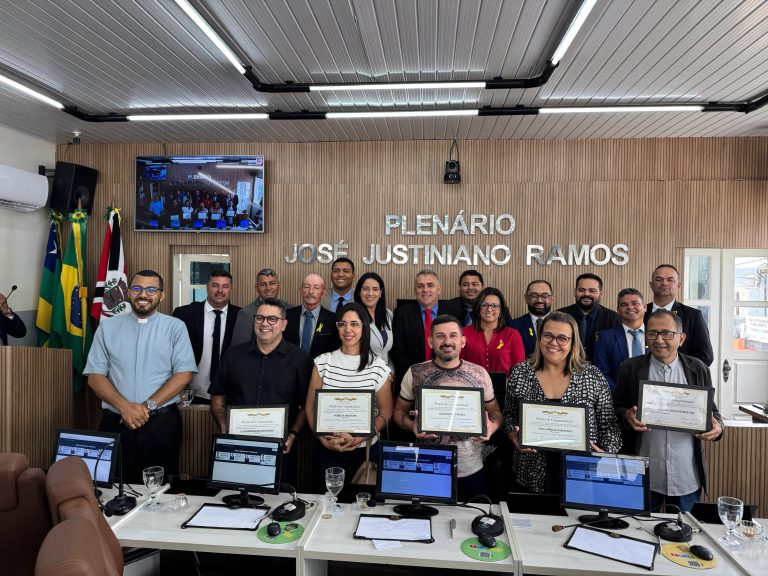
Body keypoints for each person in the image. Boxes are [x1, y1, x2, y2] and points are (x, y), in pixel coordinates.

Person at [83, 270, 197, 483]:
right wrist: (125, 408)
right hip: (116, 422)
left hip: (160, 424)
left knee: (161, 489)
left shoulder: (175, 327)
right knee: (113, 487)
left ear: (161, 295)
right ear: (128, 293)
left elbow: (184, 374)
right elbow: (95, 376)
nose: (143, 294)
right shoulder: (108, 327)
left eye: (151, 289)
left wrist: (147, 407)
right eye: (137, 288)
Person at [614, 309, 723, 511]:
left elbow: (713, 412)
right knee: (639, 527)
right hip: (643, 473)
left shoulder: (698, 369)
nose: (659, 340)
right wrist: (626, 415)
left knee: (684, 529)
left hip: (686, 475)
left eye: (666, 333)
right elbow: (616, 407)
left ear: (681, 338)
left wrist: (718, 428)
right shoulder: (629, 368)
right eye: (652, 333)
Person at [504, 311, 621, 494]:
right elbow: (509, 415)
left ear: (573, 342)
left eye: (562, 338)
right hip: (529, 471)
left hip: (581, 473)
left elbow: (609, 426)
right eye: (548, 336)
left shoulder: (592, 376)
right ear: (540, 338)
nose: (553, 343)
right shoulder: (521, 372)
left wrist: (604, 454)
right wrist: (513, 435)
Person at [393, 314, 502, 500]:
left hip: (470, 469)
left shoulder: (480, 374)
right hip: (426, 466)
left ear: (462, 341)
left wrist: (492, 427)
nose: (447, 342)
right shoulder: (415, 372)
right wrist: (411, 426)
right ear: (430, 341)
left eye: (453, 335)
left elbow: (496, 413)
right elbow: (398, 412)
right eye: (440, 336)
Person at [209, 299, 313, 486]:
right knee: (232, 498)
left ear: (284, 324)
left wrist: (292, 435)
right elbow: (218, 396)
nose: (265, 323)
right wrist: (225, 429)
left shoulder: (300, 359)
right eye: (260, 318)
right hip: (236, 448)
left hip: (280, 450)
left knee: (278, 501)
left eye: (272, 319)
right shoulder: (233, 355)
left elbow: (308, 404)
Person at [304, 302, 393, 492]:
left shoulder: (377, 366)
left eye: (354, 324)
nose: (348, 329)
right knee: (327, 502)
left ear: (364, 327)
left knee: (361, 504)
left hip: (365, 452)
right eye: (342, 324)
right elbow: (310, 408)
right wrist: (323, 440)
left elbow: (386, 412)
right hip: (328, 449)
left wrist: (360, 438)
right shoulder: (323, 362)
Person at [172, 270, 241, 404]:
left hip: (229, 395)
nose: (220, 290)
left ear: (231, 289)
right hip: (190, 393)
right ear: (207, 287)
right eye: (215, 285)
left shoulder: (241, 316)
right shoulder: (184, 314)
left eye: (225, 286)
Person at [391, 269, 457, 396]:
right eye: (420, 286)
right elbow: (398, 350)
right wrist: (415, 375)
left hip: (446, 381)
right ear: (415, 290)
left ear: (439, 289)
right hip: (410, 381)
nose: (425, 290)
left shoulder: (453, 312)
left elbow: (456, 347)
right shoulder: (401, 313)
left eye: (430, 285)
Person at [643, 264, 714, 366]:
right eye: (659, 279)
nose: (664, 283)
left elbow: (705, 356)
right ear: (651, 285)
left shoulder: (693, 316)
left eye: (670, 280)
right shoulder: (640, 312)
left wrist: (678, 371)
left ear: (679, 286)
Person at [461, 287, 525, 375]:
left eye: (495, 306)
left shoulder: (512, 335)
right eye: (484, 305)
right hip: (471, 383)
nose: (489, 309)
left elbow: (519, 371)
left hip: (505, 383)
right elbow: (458, 365)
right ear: (478, 309)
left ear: (500, 311)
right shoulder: (464, 333)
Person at [593, 288, 647, 392]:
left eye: (635, 303)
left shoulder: (656, 335)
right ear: (618, 310)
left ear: (644, 307)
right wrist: (619, 394)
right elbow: (601, 373)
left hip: (653, 398)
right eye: (624, 305)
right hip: (618, 398)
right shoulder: (605, 337)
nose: (630, 307)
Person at [558, 273, 620, 360]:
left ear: (601, 293)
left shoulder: (614, 319)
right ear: (575, 292)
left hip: (600, 367)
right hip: (565, 366)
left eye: (592, 291)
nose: (586, 294)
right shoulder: (559, 316)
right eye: (581, 290)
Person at [284, 273, 340, 358]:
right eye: (307, 287)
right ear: (301, 291)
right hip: (290, 364)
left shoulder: (333, 319)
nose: (311, 291)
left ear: (323, 293)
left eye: (316, 288)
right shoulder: (286, 316)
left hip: (320, 365)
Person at [231, 268, 291, 345]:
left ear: (279, 285)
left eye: (272, 283)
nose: (268, 288)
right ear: (256, 288)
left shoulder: (290, 309)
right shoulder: (246, 313)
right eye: (263, 284)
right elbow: (239, 348)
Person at [353, 272, 394, 375]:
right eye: (365, 289)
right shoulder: (353, 315)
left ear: (380, 293)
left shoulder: (388, 315)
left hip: (386, 376)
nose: (370, 293)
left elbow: (389, 352)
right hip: (362, 375)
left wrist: (391, 372)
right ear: (359, 292)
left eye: (375, 289)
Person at [509, 280, 554, 358]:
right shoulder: (514, 326)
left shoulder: (563, 325)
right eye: (534, 296)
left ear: (552, 298)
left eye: (544, 296)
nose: (539, 300)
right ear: (526, 298)